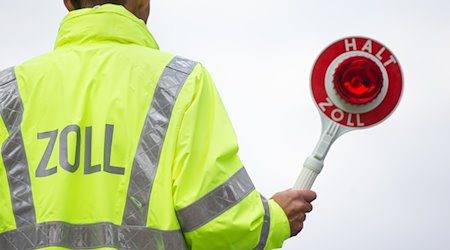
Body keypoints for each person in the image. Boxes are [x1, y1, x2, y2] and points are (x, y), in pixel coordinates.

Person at [0, 0, 317, 249]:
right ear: (143, 1)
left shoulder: (8, 93)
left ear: (67, 2)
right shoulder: (179, 83)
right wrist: (274, 219)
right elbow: (217, 225)